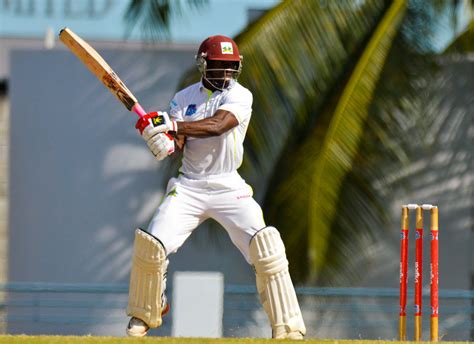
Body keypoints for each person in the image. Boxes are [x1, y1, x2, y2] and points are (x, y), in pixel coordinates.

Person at [126, 35, 306, 340]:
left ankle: (287, 327)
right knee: (152, 244)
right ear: (203, 65)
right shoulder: (183, 99)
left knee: (267, 247)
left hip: (228, 186)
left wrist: (172, 125)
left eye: (230, 67)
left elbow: (217, 125)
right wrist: (159, 137)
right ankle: (145, 311)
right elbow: (178, 144)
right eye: (218, 66)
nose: (224, 74)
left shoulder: (241, 96)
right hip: (189, 187)